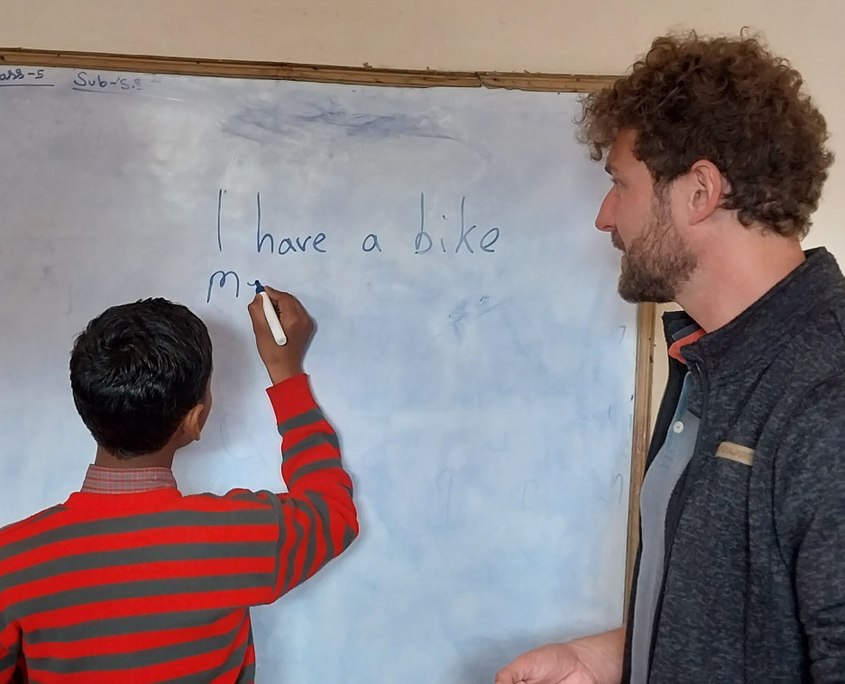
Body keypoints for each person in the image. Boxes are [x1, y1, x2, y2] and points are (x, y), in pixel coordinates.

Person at [496, 31, 845, 683]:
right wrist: (603, 660)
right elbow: (747, 617)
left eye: (619, 185)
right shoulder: (705, 362)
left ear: (699, 191)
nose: (605, 218)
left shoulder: (826, 394)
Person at [0, 287, 359, 682]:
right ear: (196, 420)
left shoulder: (11, 562)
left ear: (86, 406)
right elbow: (332, 510)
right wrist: (285, 372)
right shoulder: (239, 537)